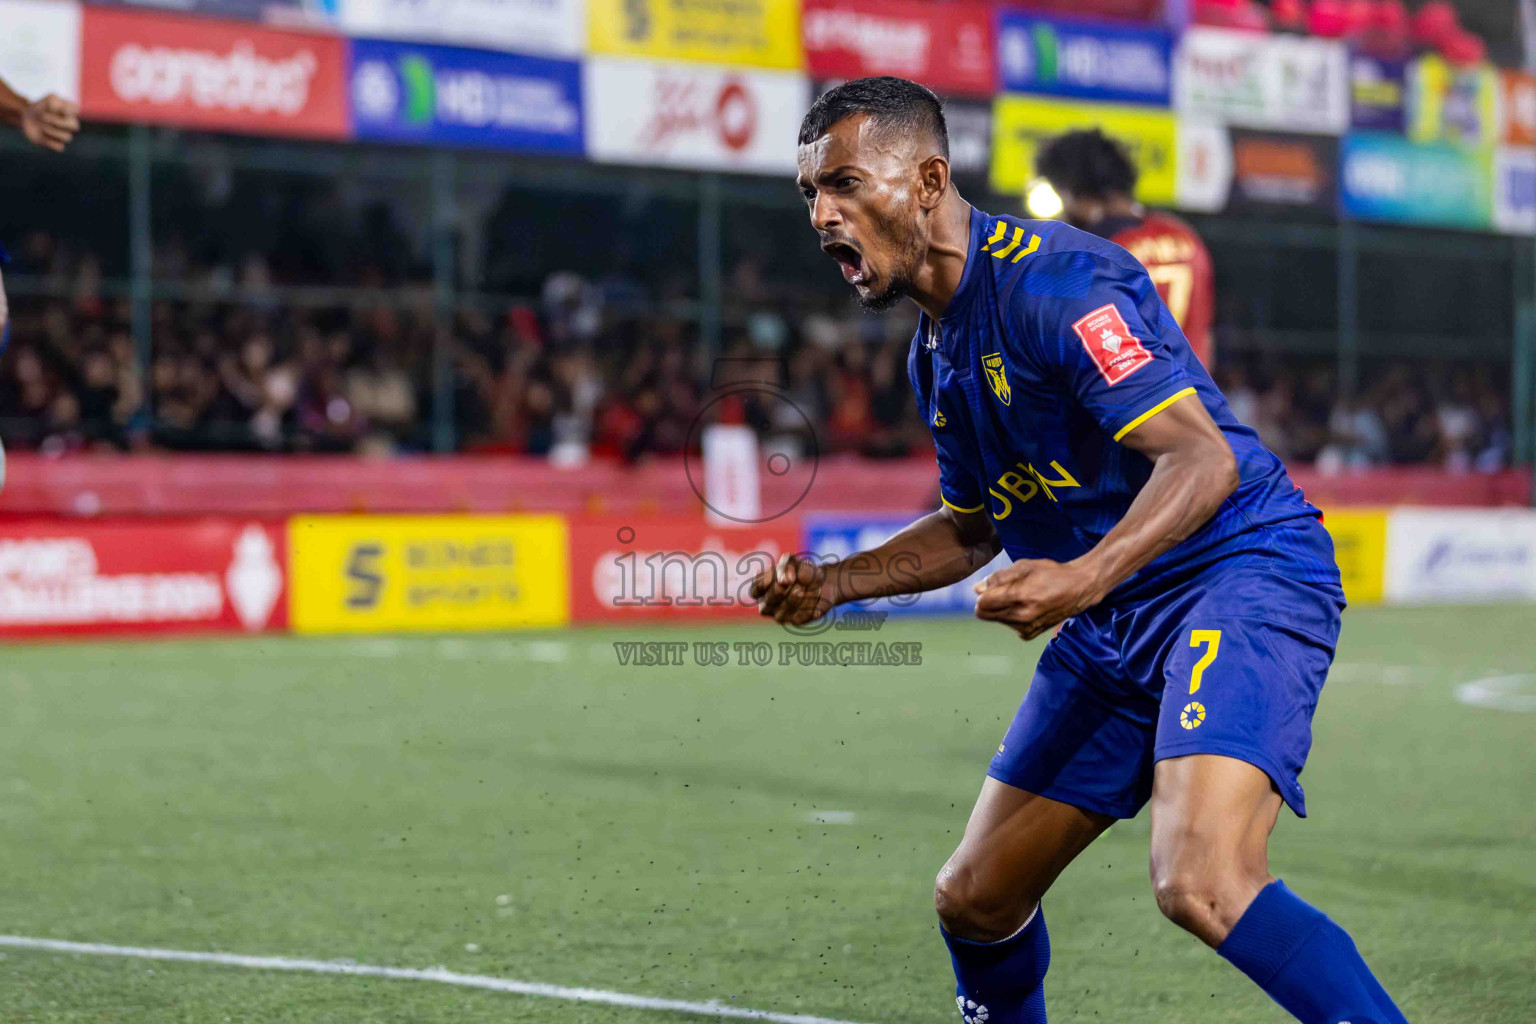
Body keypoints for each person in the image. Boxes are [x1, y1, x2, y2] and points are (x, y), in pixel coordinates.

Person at [755, 77, 1409, 1024]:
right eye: (811, 194)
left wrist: (1082, 578)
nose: (823, 216)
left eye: (846, 185)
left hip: (1236, 572)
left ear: (930, 180)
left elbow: (1200, 459)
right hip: (1112, 623)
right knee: (975, 901)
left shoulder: (1059, 285)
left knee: (1203, 879)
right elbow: (975, 526)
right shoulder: (933, 353)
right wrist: (833, 584)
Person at [1036, 129, 1215, 368]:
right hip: (1195, 397)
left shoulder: (1093, 252)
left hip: (1132, 398)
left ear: (1075, 192)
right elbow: (1206, 336)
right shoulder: (1186, 237)